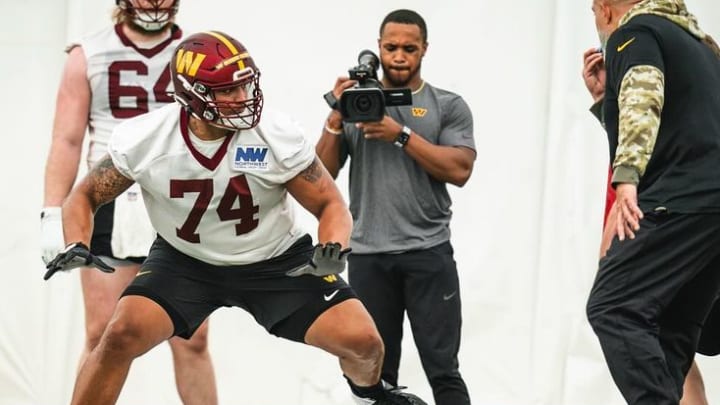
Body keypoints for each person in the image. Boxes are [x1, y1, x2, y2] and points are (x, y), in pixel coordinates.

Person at [43, 30, 427, 405]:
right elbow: (86, 195)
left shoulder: (274, 134)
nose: (242, 97)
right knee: (119, 335)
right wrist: (76, 240)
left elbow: (330, 204)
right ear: (191, 95)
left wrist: (333, 245)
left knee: (365, 343)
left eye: (245, 85)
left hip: (276, 261)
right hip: (185, 262)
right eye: (227, 89)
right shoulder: (148, 138)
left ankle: (368, 396)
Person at [39, 1, 217, 404]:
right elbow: (67, 140)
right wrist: (53, 212)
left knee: (192, 336)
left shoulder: (201, 53)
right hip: (109, 196)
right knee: (101, 332)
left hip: (182, 195)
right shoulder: (88, 52)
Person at [316, 9, 475, 405]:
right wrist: (336, 114)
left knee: (443, 368)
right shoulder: (355, 105)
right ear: (378, 47)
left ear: (424, 49)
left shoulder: (447, 104)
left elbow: (460, 169)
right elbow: (320, 176)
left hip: (428, 253)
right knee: (374, 375)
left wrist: (400, 135)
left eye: (409, 48)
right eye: (391, 47)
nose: (399, 56)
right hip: (370, 256)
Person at [584, 0, 720, 404]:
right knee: (669, 331)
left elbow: (644, 102)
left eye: (593, 11)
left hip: (681, 199)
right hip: (710, 208)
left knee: (612, 306)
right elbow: (682, 123)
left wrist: (626, 180)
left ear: (606, 9)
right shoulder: (701, 45)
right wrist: (604, 99)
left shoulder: (635, 32)